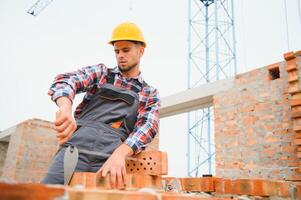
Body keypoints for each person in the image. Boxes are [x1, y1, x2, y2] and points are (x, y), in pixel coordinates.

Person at [41, 22, 160, 189]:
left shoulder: (148, 93)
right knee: (48, 193)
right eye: (117, 51)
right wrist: (66, 107)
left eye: (126, 50)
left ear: (141, 51)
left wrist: (120, 153)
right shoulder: (102, 74)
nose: (120, 55)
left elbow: (148, 127)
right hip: (75, 151)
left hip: (110, 160)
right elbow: (67, 80)